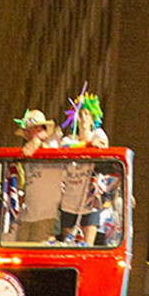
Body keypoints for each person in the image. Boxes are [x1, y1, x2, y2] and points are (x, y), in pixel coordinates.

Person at [59, 91, 109, 245]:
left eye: (87, 114)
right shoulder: (68, 139)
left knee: (88, 247)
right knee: (69, 247)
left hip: (90, 203)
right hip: (69, 201)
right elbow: (65, 147)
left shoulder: (98, 134)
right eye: (80, 114)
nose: (84, 118)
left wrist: (92, 143)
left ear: (93, 117)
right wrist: (87, 145)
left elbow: (104, 147)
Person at [13, 109, 63, 243]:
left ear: (41, 128)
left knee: (35, 256)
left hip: (46, 215)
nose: (27, 134)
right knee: (19, 254)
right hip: (28, 214)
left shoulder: (54, 142)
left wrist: (37, 143)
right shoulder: (29, 152)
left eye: (30, 130)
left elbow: (52, 152)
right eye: (26, 131)